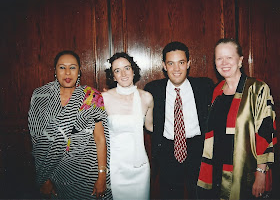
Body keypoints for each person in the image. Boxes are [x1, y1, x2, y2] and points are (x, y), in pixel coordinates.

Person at [197, 38, 277, 199]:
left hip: (246, 170)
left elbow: (266, 133)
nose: (224, 62)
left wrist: (261, 172)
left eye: (229, 57)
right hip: (218, 168)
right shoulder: (216, 91)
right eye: (219, 58)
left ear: (240, 60)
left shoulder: (257, 89)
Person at [28, 50, 112, 199]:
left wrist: (101, 176)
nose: (67, 73)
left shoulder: (91, 96)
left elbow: (100, 139)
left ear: (79, 71)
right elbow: (37, 142)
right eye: (62, 67)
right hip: (54, 174)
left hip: (88, 174)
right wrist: (44, 178)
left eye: (72, 67)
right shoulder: (41, 97)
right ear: (55, 71)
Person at [144, 41, 214, 199]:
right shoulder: (153, 89)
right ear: (164, 65)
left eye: (181, 63)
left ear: (189, 63)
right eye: (171, 63)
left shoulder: (205, 86)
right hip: (167, 151)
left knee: (200, 195)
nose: (176, 69)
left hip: (198, 149)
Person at [102, 52, 153, 200]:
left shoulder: (146, 97)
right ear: (113, 76)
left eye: (127, 68)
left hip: (140, 169)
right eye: (117, 70)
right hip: (115, 168)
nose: (123, 74)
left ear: (133, 70)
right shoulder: (104, 98)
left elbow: (151, 127)